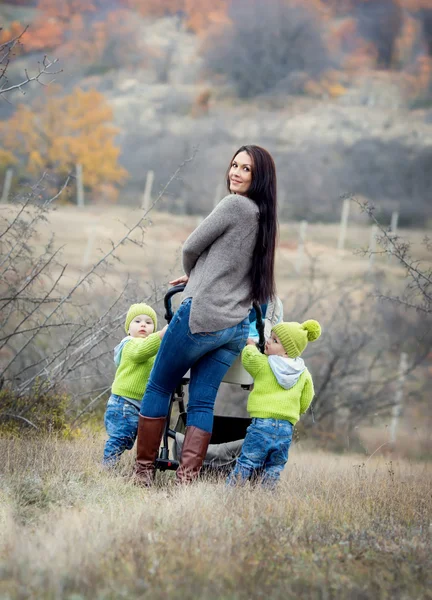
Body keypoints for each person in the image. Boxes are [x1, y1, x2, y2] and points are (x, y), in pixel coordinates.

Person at [134, 145, 278, 485]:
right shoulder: (264, 217)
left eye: (246, 169)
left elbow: (190, 247)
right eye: (234, 165)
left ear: (259, 178)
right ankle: (186, 480)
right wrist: (200, 275)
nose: (236, 173)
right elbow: (235, 268)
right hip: (235, 328)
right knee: (202, 403)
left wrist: (194, 276)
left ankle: (141, 473)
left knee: (158, 385)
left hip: (201, 316)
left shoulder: (234, 205)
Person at [227, 319, 321, 489]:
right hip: (286, 428)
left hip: (261, 425)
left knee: (248, 461)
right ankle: (267, 498)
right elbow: (308, 396)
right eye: (270, 337)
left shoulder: (265, 364)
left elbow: (249, 359)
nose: (269, 341)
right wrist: (294, 411)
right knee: (274, 467)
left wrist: (249, 345)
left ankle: (230, 492)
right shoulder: (303, 372)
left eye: (275, 340)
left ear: (287, 352)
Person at [103, 303, 167, 465]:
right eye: (137, 321)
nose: (143, 324)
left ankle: (113, 462)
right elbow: (141, 352)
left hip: (137, 403)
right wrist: (160, 335)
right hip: (124, 402)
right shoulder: (130, 343)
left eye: (148, 322)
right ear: (128, 328)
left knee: (128, 438)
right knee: (120, 437)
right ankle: (107, 465)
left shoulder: (150, 346)